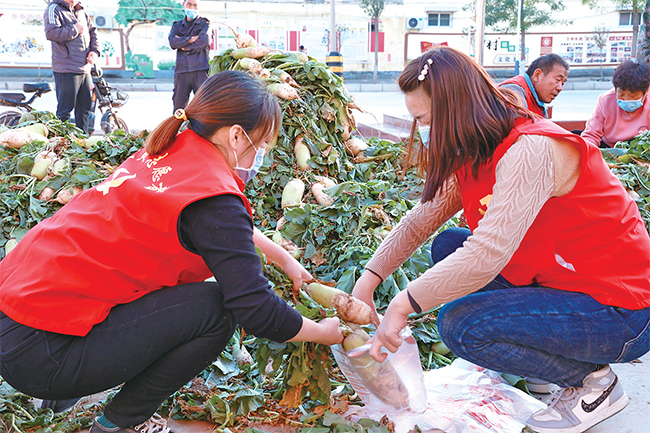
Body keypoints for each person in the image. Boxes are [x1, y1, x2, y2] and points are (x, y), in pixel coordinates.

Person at [0, 70, 343, 433]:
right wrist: (324, 332)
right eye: (262, 146)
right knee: (216, 311)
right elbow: (254, 309)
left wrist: (283, 257)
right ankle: (115, 424)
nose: (259, 157)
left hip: (14, 320)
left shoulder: (169, 147)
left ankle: (65, 392)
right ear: (237, 135)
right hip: (42, 356)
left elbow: (209, 220)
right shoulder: (216, 199)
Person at [351, 47, 650, 433]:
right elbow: (421, 219)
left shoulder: (530, 149)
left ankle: (591, 383)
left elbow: (488, 253)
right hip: (567, 280)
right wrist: (368, 280)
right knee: (447, 247)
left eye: (423, 119)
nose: (422, 131)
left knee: (460, 325)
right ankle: (547, 364)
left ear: (454, 107)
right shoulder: (477, 146)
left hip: (622, 310)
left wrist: (400, 306)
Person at [44, 0, 100, 134]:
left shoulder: (81, 10)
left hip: (85, 68)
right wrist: (75, 29)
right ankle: (61, 147)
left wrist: (95, 51)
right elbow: (51, 33)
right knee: (65, 112)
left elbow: (92, 32)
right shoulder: (54, 8)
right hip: (66, 69)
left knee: (85, 109)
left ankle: (83, 143)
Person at [581, 60, 650, 148]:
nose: (626, 100)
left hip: (640, 149)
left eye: (633, 96)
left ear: (646, 91)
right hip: (610, 149)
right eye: (621, 94)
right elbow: (592, 134)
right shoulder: (605, 100)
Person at [169, 0, 211, 112]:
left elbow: (204, 42)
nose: (192, 7)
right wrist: (191, 39)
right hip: (182, 71)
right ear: (184, 4)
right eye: (189, 4)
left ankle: (202, 130)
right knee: (178, 108)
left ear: (199, 6)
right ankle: (178, 130)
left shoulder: (205, 23)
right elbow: (173, 43)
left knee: (204, 106)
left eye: (195, 5)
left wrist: (183, 45)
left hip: (201, 70)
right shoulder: (177, 25)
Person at [499, 53, 569, 118]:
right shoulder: (513, 91)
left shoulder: (538, 102)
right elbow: (520, 126)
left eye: (562, 83)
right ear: (537, 75)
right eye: (558, 80)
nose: (560, 88)